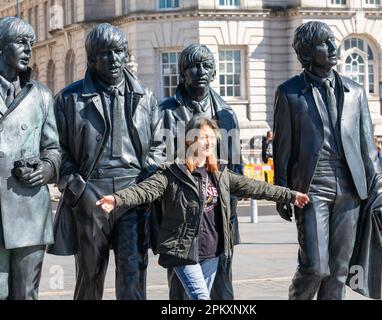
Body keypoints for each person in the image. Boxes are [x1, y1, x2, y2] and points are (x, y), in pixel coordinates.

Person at [97, 115, 309, 300]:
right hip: (184, 251)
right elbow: (144, 190)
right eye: (203, 137)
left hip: (212, 251)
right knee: (201, 297)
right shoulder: (172, 173)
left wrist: (291, 196)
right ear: (191, 139)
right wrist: (116, 199)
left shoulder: (220, 173)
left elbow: (256, 187)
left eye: (211, 137)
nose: (208, 142)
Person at [273, 21, 382, 300]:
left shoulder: (356, 92)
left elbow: (368, 150)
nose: (332, 47)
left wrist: (381, 191)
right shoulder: (289, 93)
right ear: (306, 52)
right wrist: (282, 191)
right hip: (311, 187)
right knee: (315, 266)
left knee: (340, 269)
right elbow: (282, 147)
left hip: (350, 188)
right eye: (323, 43)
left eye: (333, 41)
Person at [47, 23, 165, 300]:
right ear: (91, 59)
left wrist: (146, 185)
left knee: (133, 273)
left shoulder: (146, 98)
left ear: (126, 54)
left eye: (119, 52)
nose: (113, 59)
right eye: (105, 53)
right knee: (90, 276)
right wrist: (76, 186)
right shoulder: (68, 99)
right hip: (91, 192)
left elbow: (158, 147)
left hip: (133, 193)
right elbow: (56, 149)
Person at [157, 44, 242, 300]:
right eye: (193, 66)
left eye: (206, 66)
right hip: (183, 218)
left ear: (215, 71)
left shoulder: (227, 113)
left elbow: (235, 166)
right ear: (182, 73)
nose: (200, 71)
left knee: (222, 289)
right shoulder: (165, 113)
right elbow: (159, 162)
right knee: (183, 290)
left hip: (220, 217)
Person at [0, 17, 60, 300]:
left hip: (28, 210)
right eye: (20, 43)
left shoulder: (41, 96)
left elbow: (54, 149)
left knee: (25, 295)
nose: (28, 49)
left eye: (31, 44)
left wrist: (47, 169)